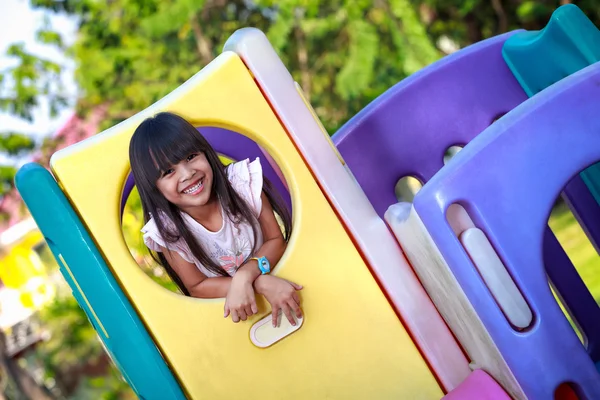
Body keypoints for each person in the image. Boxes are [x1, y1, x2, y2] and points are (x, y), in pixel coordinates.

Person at [129, 111, 302, 327]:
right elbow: (198, 286)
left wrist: (246, 275)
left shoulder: (241, 184)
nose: (187, 173)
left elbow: (276, 241)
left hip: (287, 283)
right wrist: (259, 283)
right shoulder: (169, 231)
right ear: (154, 188)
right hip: (239, 319)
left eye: (191, 157)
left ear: (205, 153)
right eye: (168, 172)